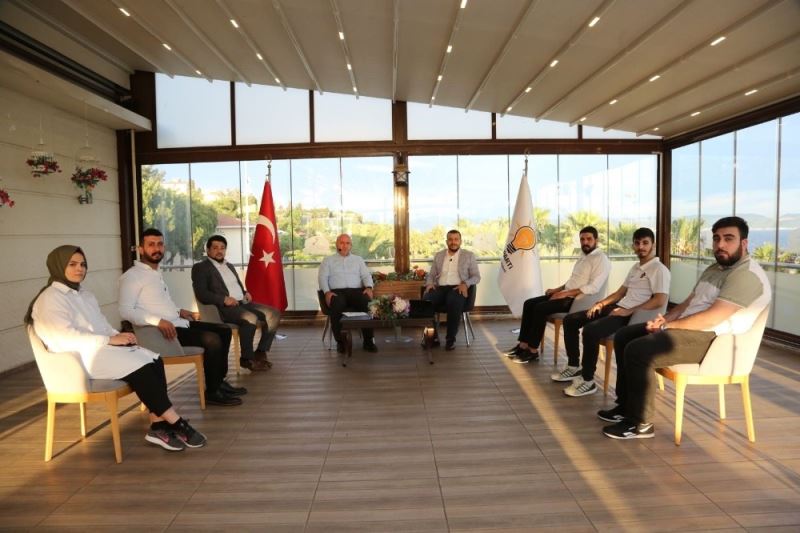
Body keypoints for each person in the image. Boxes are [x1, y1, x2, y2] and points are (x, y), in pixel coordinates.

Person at [600, 216, 771, 440]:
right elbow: (688, 303)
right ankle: (625, 406)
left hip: (714, 340)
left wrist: (668, 326)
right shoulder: (716, 268)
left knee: (638, 350)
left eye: (729, 239)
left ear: (744, 243)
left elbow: (712, 318)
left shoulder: (746, 275)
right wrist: (663, 320)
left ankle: (640, 423)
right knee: (624, 336)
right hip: (693, 329)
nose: (720, 244)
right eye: (716, 238)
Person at [25, 245, 206, 452]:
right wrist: (109, 340)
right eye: (72, 264)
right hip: (77, 360)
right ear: (58, 266)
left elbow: (101, 324)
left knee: (154, 359)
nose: (79, 269)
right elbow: (65, 338)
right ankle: (176, 422)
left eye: (82, 264)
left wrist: (120, 336)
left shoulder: (84, 295)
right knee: (141, 367)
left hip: (99, 350)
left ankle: (157, 425)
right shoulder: (50, 298)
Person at [119, 228, 245, 407]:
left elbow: (157, 304)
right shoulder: (132, 277)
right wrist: (158, 321)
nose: (157, 248)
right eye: (151, 245)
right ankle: (213, 391)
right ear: (140, 249)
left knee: (224, 331)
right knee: (212, 340)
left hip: (177, 323)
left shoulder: (154, 273)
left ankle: (218, 382)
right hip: (161, 333)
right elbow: (125, 311)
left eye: (160, 244)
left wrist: (179, 311)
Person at [554, 227, 670, 397]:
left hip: (632, 316)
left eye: (645, 243)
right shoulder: (636, 267)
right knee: (571, 320)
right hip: (619, 307)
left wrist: (628, 311)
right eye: (637, 243)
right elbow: (620, 292)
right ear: (633, 245)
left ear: (653, 245)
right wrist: (601, 304)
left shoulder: (659, 269)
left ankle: (588, 380)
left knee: (590, 330)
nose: (641, 247)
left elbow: (660, 300)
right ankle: (573, 366)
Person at [507, 226, 611, 364]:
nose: (585, 242)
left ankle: (532, 351)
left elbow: (594, 287)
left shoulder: (601, 259)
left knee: (540, 308)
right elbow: (572, 281)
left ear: (596, 240)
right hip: (566, 294)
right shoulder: (583, 256)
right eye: (582, 239)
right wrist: (557, 290)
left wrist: (565, 293)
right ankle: (523, 345)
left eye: (589, 239)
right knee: (529, 303)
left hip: (577, 300)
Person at [191, 235, 281, 372]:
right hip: (224, 308)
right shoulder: (201, 268)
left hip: (242, 303)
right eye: (215, 248)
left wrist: (245, 292)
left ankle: (260, 352)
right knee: (250, 318)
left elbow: (234, 285)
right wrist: (223, 299)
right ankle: (246, 359)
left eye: (222, 248)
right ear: (208, 250)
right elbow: (202, 293)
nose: (219, 251)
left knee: (274, 313)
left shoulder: (229, 266)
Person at [318, 233, 377, 354]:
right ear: (337, 244)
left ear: (351, 245)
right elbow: (322, 278)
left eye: (347, 243)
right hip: (337, 292)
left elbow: (366, 275)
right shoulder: (328, 260)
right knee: (336, 304)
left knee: (367, 303)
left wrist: (369, 287)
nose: (345, 246)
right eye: (342, 243)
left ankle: (368, 341)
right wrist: (327, 292)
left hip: (356, 291)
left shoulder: (358, 260)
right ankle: (341, 342)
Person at [423, 229, 481, 350]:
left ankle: (450, 339)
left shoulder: (468, 255)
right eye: (450, 239)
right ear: (446, 241)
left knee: (453, 300)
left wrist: (466, 284)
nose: (453, 242)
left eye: (456, 239)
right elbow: (431, 274)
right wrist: (429, 283)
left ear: (460, 241)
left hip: (457, 288)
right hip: (440, 288)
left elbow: (476, 276)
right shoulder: (439, 255)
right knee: (427, 299)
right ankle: (432, 337)